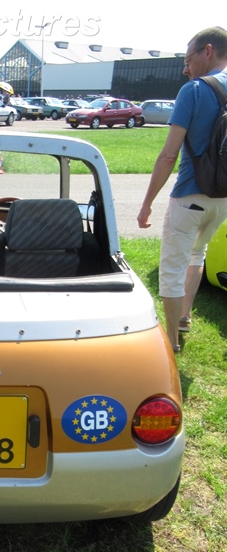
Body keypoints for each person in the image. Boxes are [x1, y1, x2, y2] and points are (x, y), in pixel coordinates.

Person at [137, 26, 227, 353]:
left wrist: (147, 203)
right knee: (198, 253)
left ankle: (172, 341)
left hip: (189, 195)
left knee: (172, 269)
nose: (186, 68)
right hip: (222, 199)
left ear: (207, 51)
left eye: (188, 59)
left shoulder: (194, 90)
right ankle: (185, 315)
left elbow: (168, 155)